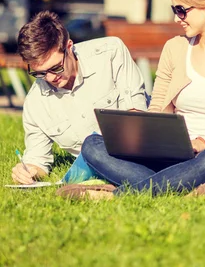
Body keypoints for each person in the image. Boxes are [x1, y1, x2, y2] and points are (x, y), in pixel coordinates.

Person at [59, 0, 205, 199]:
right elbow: (156, 109)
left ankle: (116, 194)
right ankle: (185, 186)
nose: (177, 18)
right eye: (174, 9)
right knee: (93, 145)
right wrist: (148, 140)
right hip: (168, 155)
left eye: (182, 10)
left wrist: (202, 142)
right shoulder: (174, 48)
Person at [11, 11, 148, 185]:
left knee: (92, 146)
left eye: (56, 68)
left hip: (139, 145)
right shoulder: (35, 104)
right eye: (40, 73)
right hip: (101, 163)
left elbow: (137, 113)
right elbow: (38, 159)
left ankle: (127, 185)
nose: (50, 78)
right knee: (92, 149)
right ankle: (166, 183)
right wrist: (27, 171)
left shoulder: (110, 53)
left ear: (69, 47)